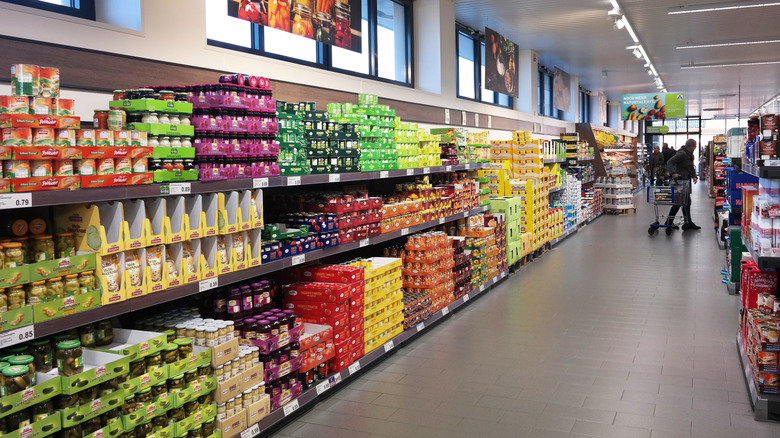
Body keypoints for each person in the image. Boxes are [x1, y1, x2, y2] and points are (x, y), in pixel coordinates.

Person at [665, 139, 701, 231]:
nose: (695, 148)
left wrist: (694, 176)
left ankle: (687, 222)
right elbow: (670, 162)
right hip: (680, 182)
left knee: (686, 202)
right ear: (691, 146)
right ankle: (670, 222)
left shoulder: (689, 155)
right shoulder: (682, 154)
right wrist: (673, 173)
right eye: (695, 146)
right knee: (679, 202)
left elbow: (691, 167)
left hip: (685, 181)